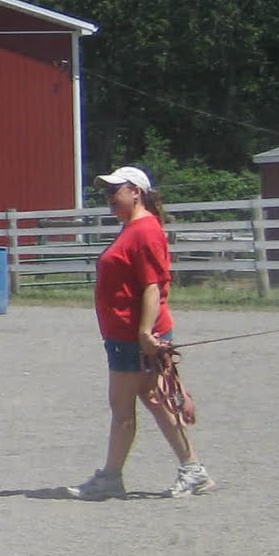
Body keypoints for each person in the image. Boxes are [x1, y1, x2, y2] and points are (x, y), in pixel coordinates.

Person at [67, 165, 215, 500]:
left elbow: (152, 287)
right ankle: (192, 469)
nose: (109, 198)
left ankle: (111, 477)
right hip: (127, 334)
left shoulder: (144, 230)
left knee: (122, 408)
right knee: (154, 398)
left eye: (114, 191)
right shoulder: (133, 229)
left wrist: (145, 332)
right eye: (106, 192)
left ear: (136, 191)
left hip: (132, 336)